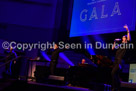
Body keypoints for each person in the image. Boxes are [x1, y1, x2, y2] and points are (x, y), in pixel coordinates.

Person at [111, 25, 131, 91]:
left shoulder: (126, 44)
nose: (123, 38)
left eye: (124, 37)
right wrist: (115, 41)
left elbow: (129, 39)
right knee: (115, 74)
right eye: (122, 37)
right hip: (116, 60)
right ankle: (117, 87)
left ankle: (115, 87)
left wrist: (127, 30)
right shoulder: (120, 45)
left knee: (113, 73)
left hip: (120, 60)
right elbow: (113, 48)